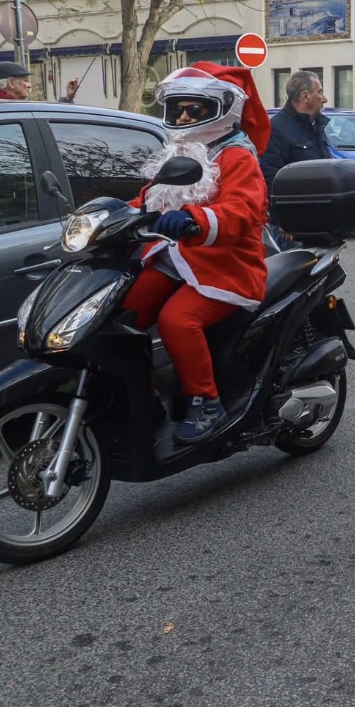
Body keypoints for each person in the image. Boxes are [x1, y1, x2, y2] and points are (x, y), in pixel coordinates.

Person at [125, 65, 270, 444]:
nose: (185, 117)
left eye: (195, 110)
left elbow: (242, 209)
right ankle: (141, 391)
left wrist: (193, 221)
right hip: (175, 258)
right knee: (124, 311)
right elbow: (149, 197)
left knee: (177, 320)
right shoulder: (181, 151)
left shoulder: (237, 156)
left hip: (225, 265)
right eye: (178, 110)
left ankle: (207, 402)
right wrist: (113, 216)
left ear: (223, 110)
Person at [262, 71, 331, 247]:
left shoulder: (314, 126)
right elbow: (270, 179)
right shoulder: (277, 130)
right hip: (293, 231)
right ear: (305, 96)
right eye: (320, 92)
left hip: (321, 223)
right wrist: (286, 221)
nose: (324, 99)